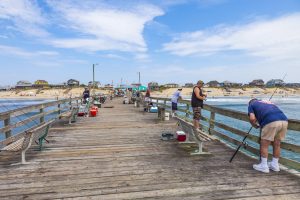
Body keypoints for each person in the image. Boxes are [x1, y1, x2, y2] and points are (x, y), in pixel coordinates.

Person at [248, 99, 288, 173]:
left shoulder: (251, 105)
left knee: (264, 144)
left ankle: (264, 166)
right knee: (277, 144)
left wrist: (254, 125)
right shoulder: (268, 102)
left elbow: (252, 118)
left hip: (270, 121)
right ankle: (275, 165)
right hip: (284, 120)